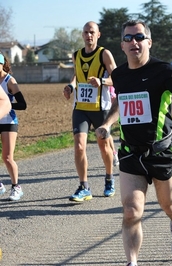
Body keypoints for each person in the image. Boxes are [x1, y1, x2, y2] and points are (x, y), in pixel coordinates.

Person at [95, 20, 172, 265]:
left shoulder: (164, 71)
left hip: (161, 151)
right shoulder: (119, 75)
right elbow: (120, 102)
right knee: (131, 212)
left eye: (139, 37)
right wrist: (108, 124)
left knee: (170, 206)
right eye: (129, 38)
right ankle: (132, 262)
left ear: (149, 42)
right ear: (122, 45)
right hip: (131, 153)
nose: (135, 42)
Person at [63, 21, 117, 202]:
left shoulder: (104, 54)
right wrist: (70, 87)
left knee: (104, 146)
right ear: (82, 35)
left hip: (100, 108)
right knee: (79, 146)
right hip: (81, 108)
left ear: (98, 34)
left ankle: (109, 179)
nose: (89, 35)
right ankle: (84, 186)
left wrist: (102, 81)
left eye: (92, 32)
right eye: (86, 32)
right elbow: (76, 76)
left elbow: (118, 78)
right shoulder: (76, 55)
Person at [0, 52, 27, 201]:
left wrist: (7, 105)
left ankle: (16, 187)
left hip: (9, 122)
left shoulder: (10, 81)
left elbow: (23, 104)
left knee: (7, 157)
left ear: (2, 64)